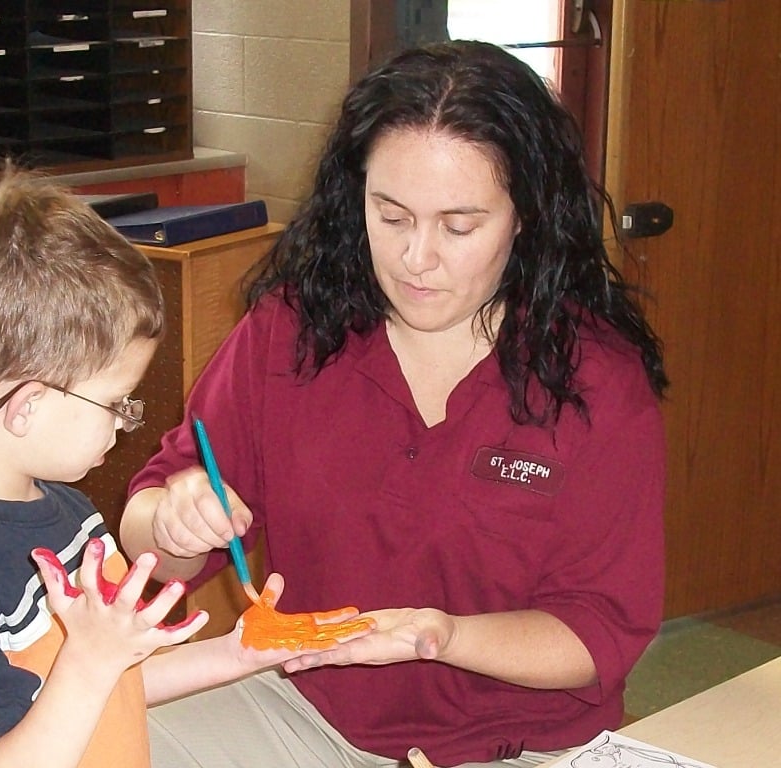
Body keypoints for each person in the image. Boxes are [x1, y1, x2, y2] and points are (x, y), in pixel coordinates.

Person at [120, 39, 669, 768]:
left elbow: (598, 635)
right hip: (310, 713)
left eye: (459, 226)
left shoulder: (596, 381)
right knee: (87, 741)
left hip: (520, 746)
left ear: (528, 217)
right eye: (392, 215)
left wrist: (438, 635)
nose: (416, 259)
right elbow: (148, 548)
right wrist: (173, 522)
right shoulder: (289, 333)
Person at [0, 168, 362, 768]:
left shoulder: (65, 512)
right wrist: (89, 661)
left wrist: (237, 654)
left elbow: (117, 689)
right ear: (26, 406)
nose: (127, 421)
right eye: (116, 401)